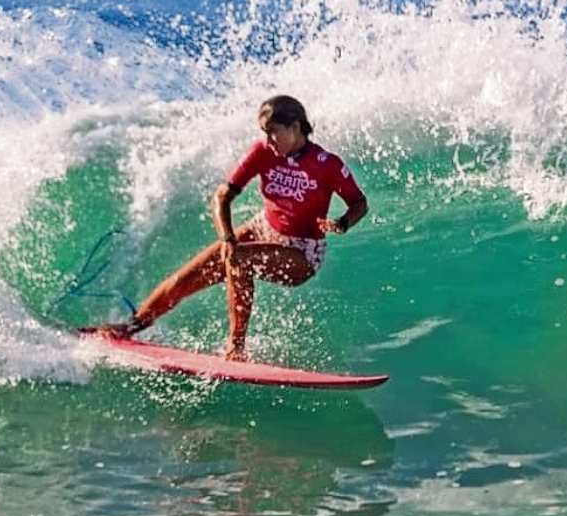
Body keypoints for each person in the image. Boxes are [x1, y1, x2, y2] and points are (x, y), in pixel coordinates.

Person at [84, 95, 368, 361]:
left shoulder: (326, 165)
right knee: (186, 278)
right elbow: (222, 196)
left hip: (302, 252)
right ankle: (131, 326)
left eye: (274, 132)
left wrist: (342, 223)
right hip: (262, 228)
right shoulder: (262, 152)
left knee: (239, 259)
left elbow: (359, 203)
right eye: (264, 133)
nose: (268, 140)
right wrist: (228, 238)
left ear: (296, 127)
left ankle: (236, 348)